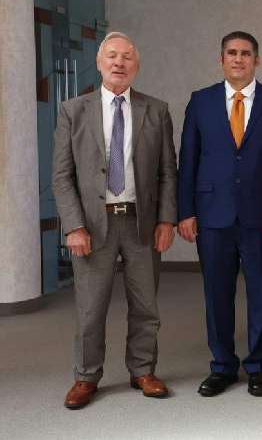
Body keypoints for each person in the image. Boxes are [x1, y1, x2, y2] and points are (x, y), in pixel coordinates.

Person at [52, 32, 177, 409]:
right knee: (91, 308)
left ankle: (143, 370)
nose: (119, 63)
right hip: (92, 226)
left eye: (126, 57)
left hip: (141, 223)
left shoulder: (156, 110)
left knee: (146, 305)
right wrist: (74, 226)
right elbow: (62, 175)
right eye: (112, 56)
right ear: (99, 62)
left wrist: (166, 220)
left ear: (136, 65)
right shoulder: (73, 110)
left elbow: (168, 172)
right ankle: (86, 376)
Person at [177, 31, 262, 398]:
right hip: (213, 215)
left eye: (246, 53)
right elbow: (188, 159)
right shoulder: (201, 101)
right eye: (232, 53)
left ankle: (258, 366)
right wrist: (186, 211)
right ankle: (223, 366)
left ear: (257, 60)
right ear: (221, 59)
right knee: (217, 294)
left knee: (261, 292)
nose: (238, 59)